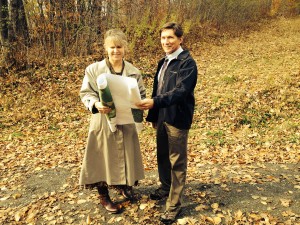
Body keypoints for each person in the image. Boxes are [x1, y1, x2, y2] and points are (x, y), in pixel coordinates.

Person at [79, 29, 146, 214]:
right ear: (105, 49)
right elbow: (86, 93)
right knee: (102, 157)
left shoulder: (133, 71)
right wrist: (95, 103)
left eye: (119, 46)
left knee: (126, 154)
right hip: (102, 120)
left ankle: (125, 187)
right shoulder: (93, 70)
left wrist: (140, 104)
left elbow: (141, 95)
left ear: (125, 48)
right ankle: (104, 195)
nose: (115, 50)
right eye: (112, 47)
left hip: (126, 120)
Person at [136, 22, 198, 223]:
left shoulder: (187, 63)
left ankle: (174, 204)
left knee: (177, 162)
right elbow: (157, 89)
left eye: (170, 37)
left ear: (180, 39)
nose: (166, 41)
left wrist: (155, 102)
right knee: (162, 156)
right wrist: (153, 114)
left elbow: (181, 92)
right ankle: (165, 187)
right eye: (163, 38)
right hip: (162, 117)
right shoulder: (163, 62)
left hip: (177, 118)